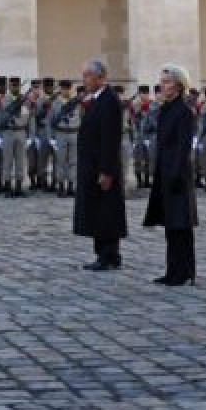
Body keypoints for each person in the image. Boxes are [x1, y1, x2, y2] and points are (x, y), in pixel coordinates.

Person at [144, 64, 198, 285]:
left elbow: (183, 147)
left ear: (178, 85)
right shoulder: (166, 109)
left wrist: (176, 174)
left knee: (180, 225)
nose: (162, 86)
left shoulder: (183, 111)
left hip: (177, 174)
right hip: (165, 171)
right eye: (161, 81)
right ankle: (172, 270)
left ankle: (184, 272)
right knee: (170, 225)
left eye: (166, 82)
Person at [74, 59, 126, 271]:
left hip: (103, 168)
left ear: (101, 77)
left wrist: (106, 171)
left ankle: (108, 255)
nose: (84, 80)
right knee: (99, 211)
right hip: (94, 166)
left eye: (87, 75)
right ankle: (106, 253)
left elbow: (110, 139)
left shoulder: (109, 100)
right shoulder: (98, 99)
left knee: (106, 212)